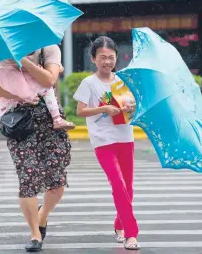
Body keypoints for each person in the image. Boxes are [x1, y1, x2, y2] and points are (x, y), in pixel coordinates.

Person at [0, 45, 71, 252]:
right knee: (27, 177)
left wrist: (23, 60)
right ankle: (35, 235)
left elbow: (49, 80)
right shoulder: (3, 48)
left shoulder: (49, 49)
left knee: (57, 183)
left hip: (50, 121)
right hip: (19, 122)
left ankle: (42, 216)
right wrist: (17, 96)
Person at [73, 36, 140, 250]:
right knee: (118, 184)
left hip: (125, 138)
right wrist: (104, 109)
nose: (107, 62)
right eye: (102, 57)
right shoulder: (88, 83)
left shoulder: (123, 81)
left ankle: (119, 224)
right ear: (93, 59)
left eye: (111, 57)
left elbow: (133, 105)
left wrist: (131, 108)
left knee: (127, 187)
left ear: (116, 58)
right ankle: (131, 234)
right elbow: (80, 111)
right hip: (103, 141)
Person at [0, 51, 75, 151]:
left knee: (2, 108)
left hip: (4, 80)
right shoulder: (17, 47)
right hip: (17, 79)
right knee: (47, 90)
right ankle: (57, 119)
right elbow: (49, 79)